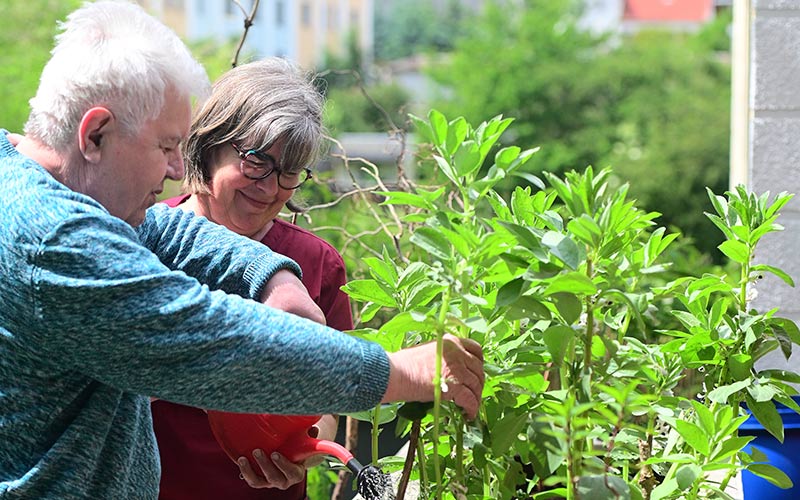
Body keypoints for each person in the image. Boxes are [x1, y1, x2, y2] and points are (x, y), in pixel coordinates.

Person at [0, 2, 485, 499]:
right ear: (95, 134)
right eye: (165, 146)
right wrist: (402, 371)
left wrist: (270, 273)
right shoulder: (54, 242)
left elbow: (161, 232)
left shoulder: (16, 170)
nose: (173, 169)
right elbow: (213, 343)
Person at [152, 58, 352, 499]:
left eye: (289, 172)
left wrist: (303, 455)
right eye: (258, 161)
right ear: (209, 145)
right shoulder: (141, 238)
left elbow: (330, 400)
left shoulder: (317, 264)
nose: (270, 186)